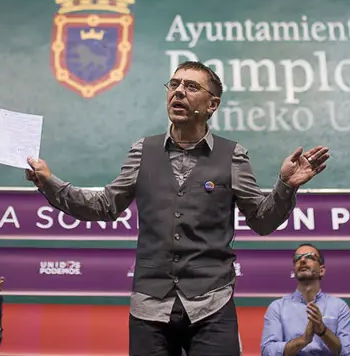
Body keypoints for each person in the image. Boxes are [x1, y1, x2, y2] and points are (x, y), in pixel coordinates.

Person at [26, 60, 330, 355]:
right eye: (174, 84)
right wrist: (49, 182)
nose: (179, 91)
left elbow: (262, 221)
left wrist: (286, 185)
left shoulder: (233, 155)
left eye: (191, 86)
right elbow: (104, 206)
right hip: (149, 306)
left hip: (212, 304)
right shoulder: (142, 151)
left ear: (212, 105)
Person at [260, 243, 350, 355]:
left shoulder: (339, 307)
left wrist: (323, 331)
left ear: (321, 270)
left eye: (309, 256)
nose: (302, 260)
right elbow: (267, 351)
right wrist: (303, 340)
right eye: (297, 258)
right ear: (294, 271)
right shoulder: (277, 308)